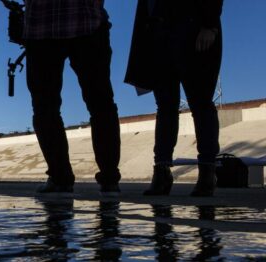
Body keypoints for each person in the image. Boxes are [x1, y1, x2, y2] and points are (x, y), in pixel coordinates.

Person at [125, 0, 223, 197]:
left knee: (200, 103)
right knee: (165, 107)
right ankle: (161, 171)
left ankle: (207, 171)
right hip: (159, 36)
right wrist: (141, 56)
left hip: (193, 29)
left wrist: (210, 25)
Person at [23, 0, 121, 195]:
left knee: (45, 108)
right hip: (88, 23)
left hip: (41, 28)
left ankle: (60, 179)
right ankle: (109, 179)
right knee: (101, 104)